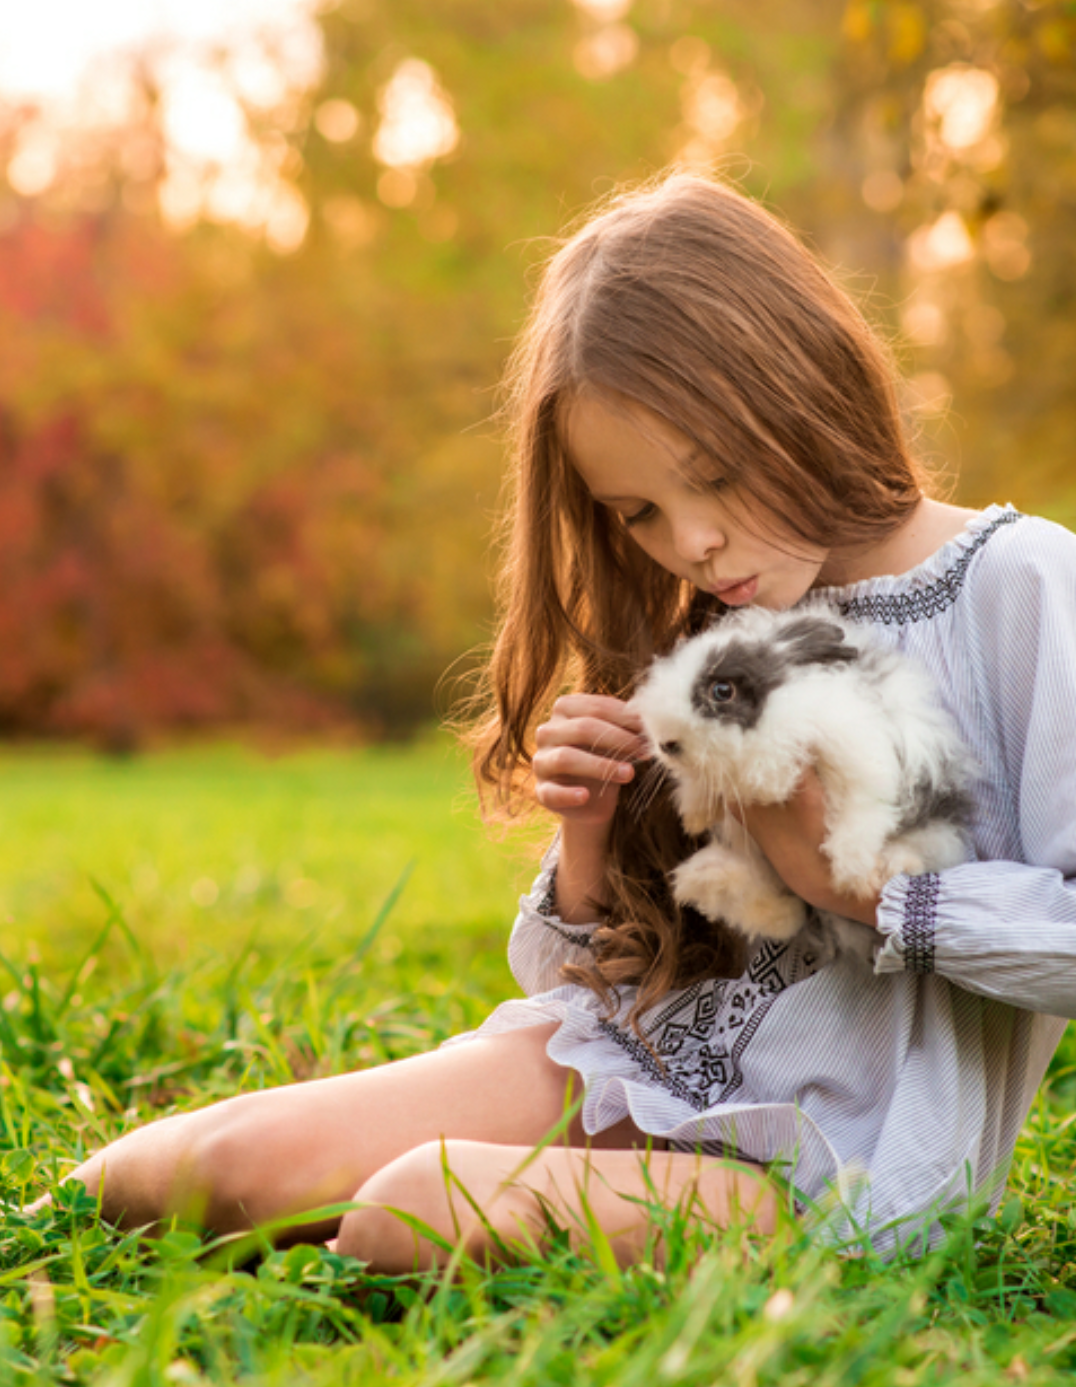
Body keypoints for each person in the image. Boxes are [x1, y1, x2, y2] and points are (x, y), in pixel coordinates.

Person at [49, 173, 1076, 1267]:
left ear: (800, 377)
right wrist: (589, 839)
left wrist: (860, 888)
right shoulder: (717, 620)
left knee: (414, 1209)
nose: (693, 545)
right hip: (635, 1062)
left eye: (714, 478)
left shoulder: (1019, 587)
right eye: (637, 512)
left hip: (839, 1159)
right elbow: (606, 970)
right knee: (178, 1173)